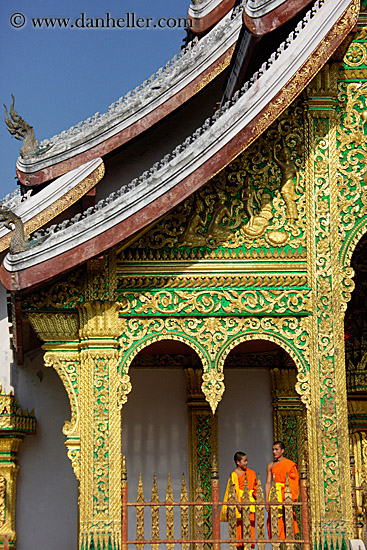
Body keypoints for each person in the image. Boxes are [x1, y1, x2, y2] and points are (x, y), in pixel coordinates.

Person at [220, 451, 257, 548]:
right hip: (238, 506)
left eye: (246, 461)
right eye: (244, 461)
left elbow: (256, 489)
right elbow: (232, 492)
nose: (246, 463)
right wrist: (238, 504)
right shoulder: (234, 475)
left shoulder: (251, 473)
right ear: (238, 462)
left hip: (250, 504)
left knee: (249, 531)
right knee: (239, 533)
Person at [265, 441, 299, 540]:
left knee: (287, 522)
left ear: (282, 451)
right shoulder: (270, 466)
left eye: (276, 449)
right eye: (273, 450)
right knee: (275, 523)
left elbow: (294, 482)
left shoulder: (290, 464)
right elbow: (268, 483)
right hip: (275, 496)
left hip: (286, 495)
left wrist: (289, 496)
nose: (274, 452)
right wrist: (266, 501)